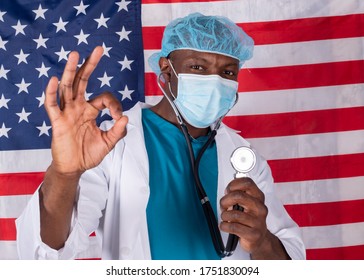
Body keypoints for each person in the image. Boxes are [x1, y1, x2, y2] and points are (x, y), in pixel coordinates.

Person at [16, 13, 305, 260]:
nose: (214, 82)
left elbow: (291, 259)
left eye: (227, 72)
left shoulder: (244, 157)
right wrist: (65, 174)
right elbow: (47, 253)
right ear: (166, 68)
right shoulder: (113, 144)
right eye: (198, 67)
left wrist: (262, 240)